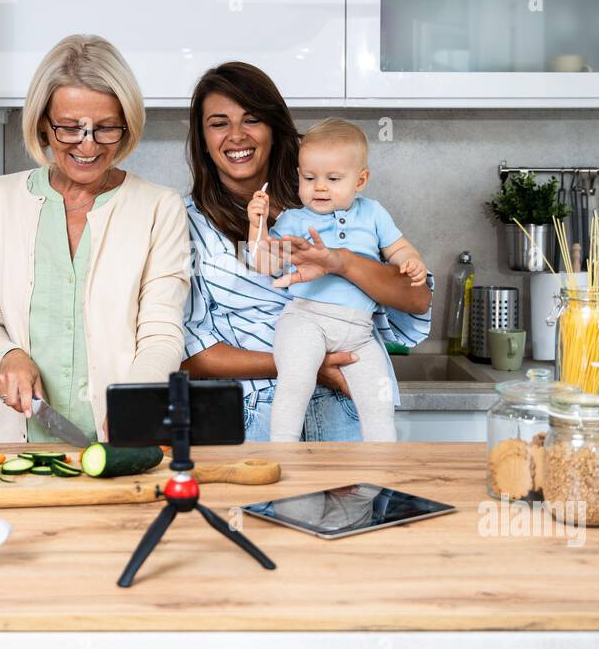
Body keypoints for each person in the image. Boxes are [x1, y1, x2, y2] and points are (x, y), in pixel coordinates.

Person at [181, 62, 432, 441]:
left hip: (346, 411)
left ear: (273, 127)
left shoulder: (338, 202)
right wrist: (305, 365)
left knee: (366, 493)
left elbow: (416, 298)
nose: (236, 136)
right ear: (202, 137)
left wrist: (342, 262)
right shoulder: (183, 222)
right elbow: (188, 355)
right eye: (219, 123)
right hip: (259, 419)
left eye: (251, 119)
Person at [0, 34, 189, 441]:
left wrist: (133, 401)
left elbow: (161, 332)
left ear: (127, 125)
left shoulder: (158, 207)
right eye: (69, 128)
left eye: (105, 129)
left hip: (121, 442)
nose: (88, 145)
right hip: (20, 442)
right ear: (43, 125)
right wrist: (7, 355)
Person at [247, 118, 427, 441]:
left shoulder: (373, 214)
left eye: (333, 178)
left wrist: (410, 261)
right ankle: (282, 447)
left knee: (379, 400)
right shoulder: (293, 219)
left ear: (360, 181)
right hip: (305, 319)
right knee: (297, 378)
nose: (319, 187)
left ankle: (380, 465)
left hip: (359, 332)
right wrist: (256, 225)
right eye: (309, 177)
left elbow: (398, 247)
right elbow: (263, 263)